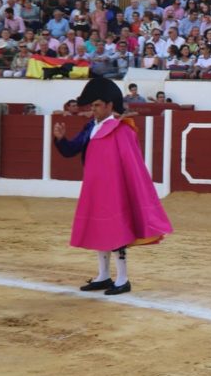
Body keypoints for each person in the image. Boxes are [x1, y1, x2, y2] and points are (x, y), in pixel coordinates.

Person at [52, 77, 172, 297]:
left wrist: (125, 189)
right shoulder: (91, 127)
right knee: (101, 230)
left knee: (117, 232)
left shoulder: (122, 129)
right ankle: (103, 275)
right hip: (94, 187)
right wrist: (60, 140)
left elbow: (131, 165)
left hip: (114, 190)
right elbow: (72, 150)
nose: (94, 109)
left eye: (97, 105)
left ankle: (123, 279)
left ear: (109, 105)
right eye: (92, 106)